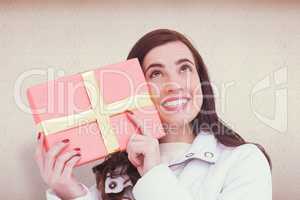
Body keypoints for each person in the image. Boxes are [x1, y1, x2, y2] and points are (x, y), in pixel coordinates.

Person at [35, 29, 272, 200]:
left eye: (185, 68)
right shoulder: (114, 175)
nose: (174, 84)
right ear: (134, 88)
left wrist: (153, 173)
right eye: (156, 73)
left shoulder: (244, 161)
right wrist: (70, 193)